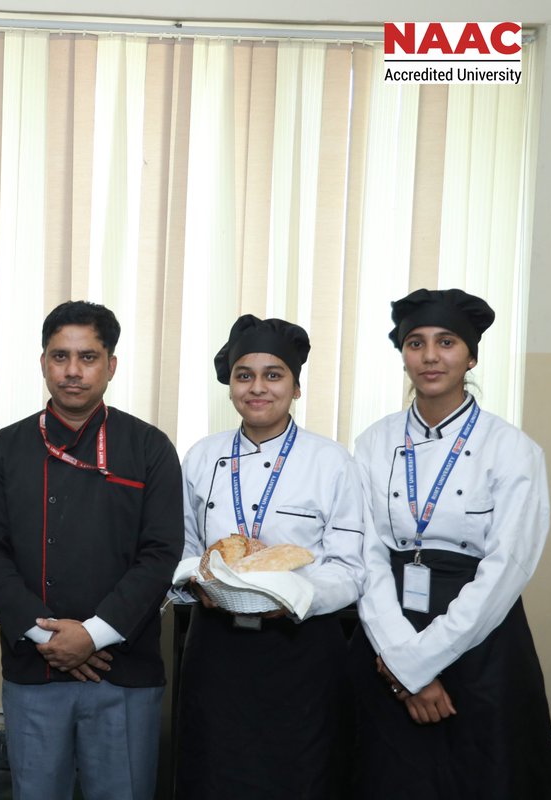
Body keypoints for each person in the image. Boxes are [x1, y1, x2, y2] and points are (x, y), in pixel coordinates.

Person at [0, 300, 184, 800]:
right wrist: (49, 640)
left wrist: (93, 635)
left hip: (123, 670)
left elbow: (160, 552)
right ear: (43, 362)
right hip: (33, 665)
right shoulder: (4, 448)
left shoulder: (149, 447)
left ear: (111, 365)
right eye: (60, 356)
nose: (72, 371)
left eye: (88, 357)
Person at [349, 288, 551, 798]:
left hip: (483, 641)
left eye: (446, 342)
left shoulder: (512, 448)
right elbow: (366, 552)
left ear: (471, 356)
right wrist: (399, 657)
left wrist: (418, 666)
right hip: (387, 632)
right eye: (415, 343)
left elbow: (508, 566)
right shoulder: (373, 442)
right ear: (403, 355)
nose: (430, 356)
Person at [172, 314, 365, 798]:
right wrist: (198, 582)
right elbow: (183, 549)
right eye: (244, 375)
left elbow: (349, 567)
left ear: (296, 387)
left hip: (301, 652)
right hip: (215, 648)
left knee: (301, 775)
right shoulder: (201, 456)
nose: (257, 388)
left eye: (273, 375)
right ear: (231, 386)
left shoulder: (331, 461)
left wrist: (294, 596)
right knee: (213, 773)